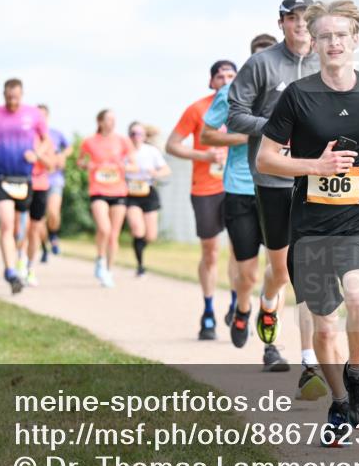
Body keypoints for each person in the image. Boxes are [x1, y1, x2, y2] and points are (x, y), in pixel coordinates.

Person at [257, 0, 359, 445]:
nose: (333, 43)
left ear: (355, 40)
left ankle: (358, 374)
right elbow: (267, 158)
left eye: (341, 35)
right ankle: (341, 403)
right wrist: (313, 166)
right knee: (324, 326)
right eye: (324, 36)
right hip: (309, 227)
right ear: (314, 42)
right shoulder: (298, 95)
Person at [228, 0, 327, 400]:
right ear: (282, 22)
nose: (301, 23)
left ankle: (310, 360)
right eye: (293, 18)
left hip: (316, 178)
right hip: (272, 181)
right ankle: (268, 300)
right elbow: (235, 114)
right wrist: (276, 125)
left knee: (310, 268)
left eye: (307, 17)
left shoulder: (327, 59)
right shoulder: (262, 64)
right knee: (282, 270)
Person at [201, 35, 289, 371]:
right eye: (259, 60)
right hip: (241, 188)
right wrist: (252, 134)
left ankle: (272, 347)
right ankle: (241, 308)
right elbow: (207, 135)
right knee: (249, 274)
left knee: (278, 271)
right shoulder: (231, 93)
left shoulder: (290, 90)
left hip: (280, 186)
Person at [166, 60, 240, 341]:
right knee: (210, 252)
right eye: (220, 76)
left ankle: (237, 306)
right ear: (212, 82)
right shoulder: (198, 109)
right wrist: (204, 156)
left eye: (231, 75)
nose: (225, 80)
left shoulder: (246, 107)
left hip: (238, 187)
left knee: (239, 251)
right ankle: (208, 311)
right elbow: (171, 144)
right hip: (205, 187)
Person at [0, 78, 50, 294]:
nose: (12, 101)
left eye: (16, 97)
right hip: (0, 177)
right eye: (9, 97)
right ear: (3, 95)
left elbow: (45, 140)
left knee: (21, 230)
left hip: (24, 179)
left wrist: (36, 154)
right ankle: (10, 271)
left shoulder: (33, 114)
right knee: (7, 224)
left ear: (22, 95)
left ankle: (22, 263)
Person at [77, 109, 134, 288]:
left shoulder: (122, 141)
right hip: (98, 190)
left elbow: (133, 165)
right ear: (100, 121)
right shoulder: (89, 141)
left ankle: (108, 271)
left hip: (118, 191)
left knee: (114, 234)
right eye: (108, 119)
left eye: (114, 119)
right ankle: (100, 259)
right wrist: (89, 164)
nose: (112, 122)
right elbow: (80, 162)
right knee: (104, 228)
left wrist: (122, 166)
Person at [124, 122, 171, 276]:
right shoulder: (124, 152)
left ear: (144, 136)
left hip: (148, 191)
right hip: (130, 192)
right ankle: (140, 265)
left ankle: (139, 250)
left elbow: (165, 169)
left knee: (151, 235)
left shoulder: (151, 151)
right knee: (138, 229)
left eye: (139, 133)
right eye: (133, 133)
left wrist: (155, 173)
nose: (136, 137)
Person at [23, 126, 56, 286]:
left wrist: (37, 155)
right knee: (21, 227)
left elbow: (51, 166)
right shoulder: (20, 138)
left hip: (40, 187)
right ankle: (19, 261)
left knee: (34, 230)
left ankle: (30, 268)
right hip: (20, 184)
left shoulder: (47, 142)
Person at [39, 105, 72, 258]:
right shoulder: (30, 135)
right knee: (39, 219)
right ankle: (43, 247)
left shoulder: (56, 133)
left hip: (55, 179)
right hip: (37, 179)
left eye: (43, 115)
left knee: (53, 212)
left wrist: (62, 156)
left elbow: (69, 148)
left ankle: (53, 235)